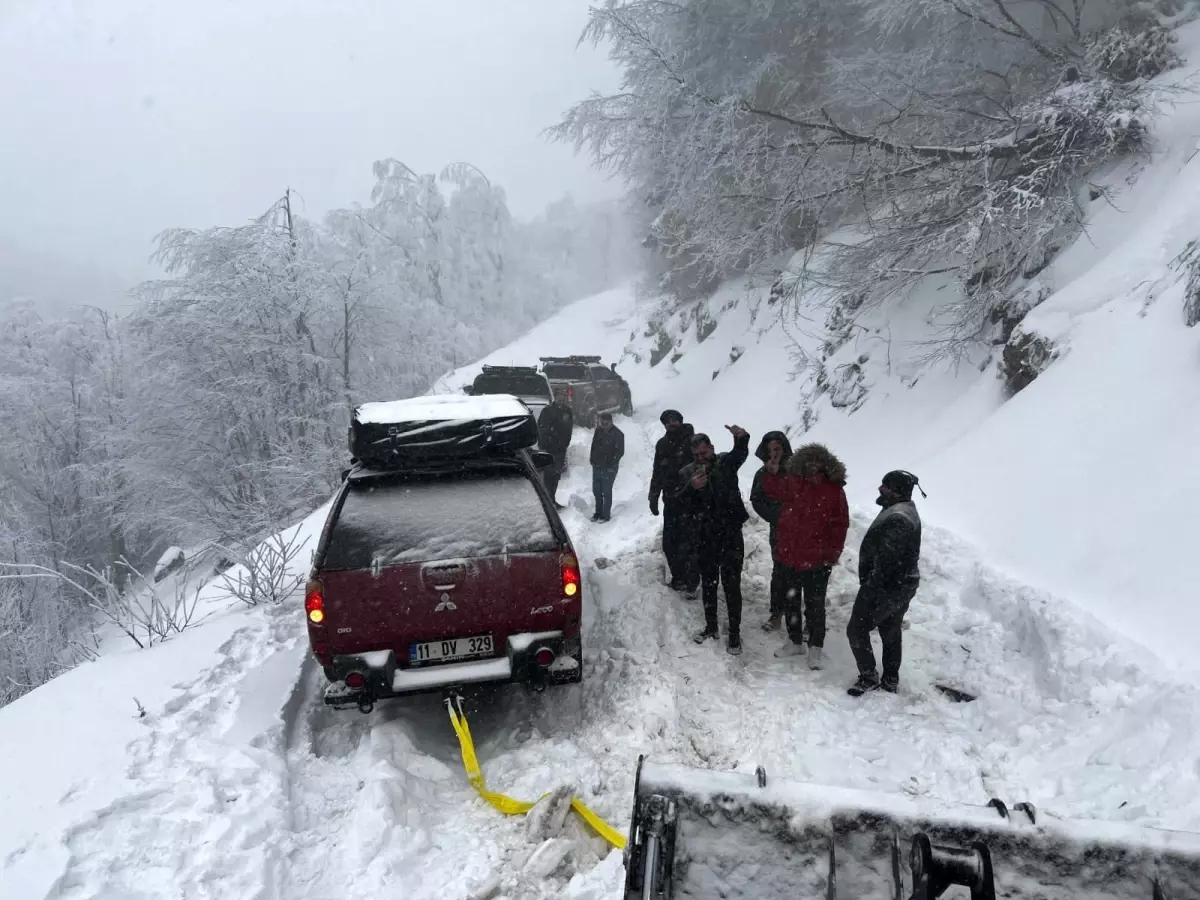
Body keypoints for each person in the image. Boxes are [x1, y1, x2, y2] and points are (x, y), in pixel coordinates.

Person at [760, 443, 849, 671]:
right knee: (791, 600)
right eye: (808, 461)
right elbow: (773, 491)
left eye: (816, 462)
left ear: (825, 464)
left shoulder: (834, 490)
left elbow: (840, 525)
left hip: (818, 559)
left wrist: (832, 553)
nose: (812, 466)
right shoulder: (792, 482)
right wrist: (770, 473)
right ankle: (795, 641)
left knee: (815, 605)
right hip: (790, 555)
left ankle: (815, 649)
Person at [847, 470, 925, 697]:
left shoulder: (899, 518)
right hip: (901, 585)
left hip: (887, 587)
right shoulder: (902, 510)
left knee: (856, 629)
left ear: (897, 491)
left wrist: (872, 588)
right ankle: (890, 680)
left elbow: (887, 561)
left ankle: (869, 676)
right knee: (890, 629)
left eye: (886, 486)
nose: (880, 488)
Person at [676, 425, 751, 655]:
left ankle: (735, 634)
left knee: (731, 585)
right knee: (709, 584)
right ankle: (711, 627)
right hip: (705, 536)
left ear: (712, 449)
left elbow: (740, 454)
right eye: (697, 455)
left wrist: (742, 439)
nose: (701, 459)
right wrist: (692, 488)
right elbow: (680, 504)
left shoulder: (725, 463)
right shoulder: (688, 473)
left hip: (730, 535)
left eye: (704, 453)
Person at [648, 409, 698, 593]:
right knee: (670, 543)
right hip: (670, 500)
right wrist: (653, 496)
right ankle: (678, 578)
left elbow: (704, 465)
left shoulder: (692, 441)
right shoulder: (662, 444)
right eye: (668, 420)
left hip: (691, 500)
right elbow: (657, 471)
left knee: (690, 543)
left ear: (680, 421)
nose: (671, 423)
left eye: (675, 419)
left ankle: (692, 583)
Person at [749, 431, 794, 632]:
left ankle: (803, 619)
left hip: (802, 530)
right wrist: (775, 516)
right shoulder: (763, 473)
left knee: (803, 574)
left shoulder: (797, 470)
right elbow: (756, 499)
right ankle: (776, 613)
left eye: (777, 448)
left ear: (784, 448)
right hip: (779, 530)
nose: (773, 454)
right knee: (780, 572)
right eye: (769, 450)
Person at [537, 390, 574, 509]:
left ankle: (552, 499)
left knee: (556, 475)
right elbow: (541, 428)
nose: (561, 399)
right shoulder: (547, 411)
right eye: (559, 396)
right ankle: (547, 503)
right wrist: (544, 445)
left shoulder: (567, 411)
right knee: (548, 476)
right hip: (549, 449)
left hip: (560, 449)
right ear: (555, 396)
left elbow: (569, 428)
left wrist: (565, 443)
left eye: (563, 397)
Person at [589, 412, 624, 522]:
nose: (603, 423)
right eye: (602, 421)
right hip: (597, 466)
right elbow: (593, 446)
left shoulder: (618, 434)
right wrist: (592, 459)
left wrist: (611, 464)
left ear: (611, 421)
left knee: (606, 492)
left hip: (609, 468)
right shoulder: (598, 431)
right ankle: (598, 512)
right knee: (596, 491)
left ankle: (606, 515)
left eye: (606, 421)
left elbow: (620, 452)